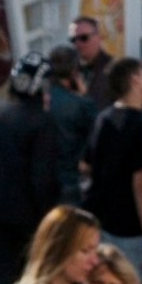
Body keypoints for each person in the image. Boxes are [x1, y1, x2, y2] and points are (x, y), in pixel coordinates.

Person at [0, 60, 62, 284]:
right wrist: (48, 213)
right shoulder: (43, 122)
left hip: (0, 212)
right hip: (31, 217)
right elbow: (42, 178)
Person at [84, 58, 142, 280]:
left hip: (100, 220)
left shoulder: (103, 118)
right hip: (130, 227)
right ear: (135, 80)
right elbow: (140, 183)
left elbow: (87, 165)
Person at [43, 45, 97, 206]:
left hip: (44, 180)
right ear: (74, 72)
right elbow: (98, 133)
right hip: (72, 179)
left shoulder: (41, 101)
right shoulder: (81, 104)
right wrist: (85, 96)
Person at [68, 16, 114, 107]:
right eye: (73, 39)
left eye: (84, 38)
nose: (78, 43)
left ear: (98, 37)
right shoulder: (69, 70)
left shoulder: (115, 69)